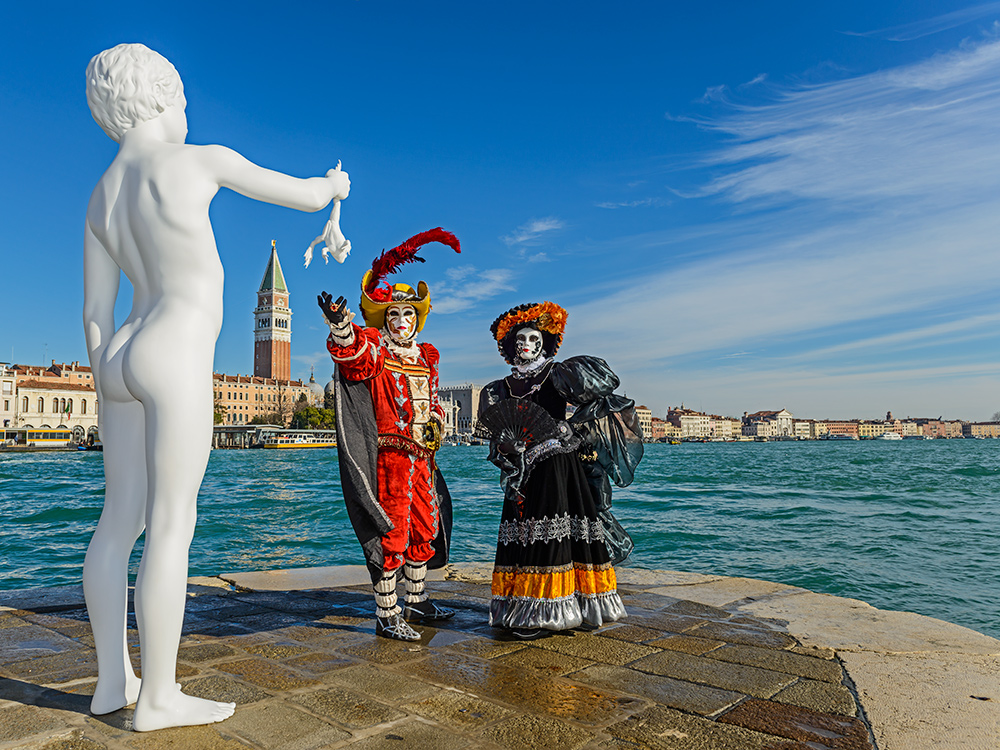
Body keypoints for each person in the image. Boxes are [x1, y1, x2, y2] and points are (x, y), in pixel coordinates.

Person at [82, 43, 350, 731]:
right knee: (172, 524)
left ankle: (113, 682)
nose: (189, 109)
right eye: (183, 98)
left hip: (116, 357)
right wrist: (333, 188)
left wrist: (108, 384)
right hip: (172, 349)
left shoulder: (101, 196)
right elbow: (302, 194)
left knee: (119, 522)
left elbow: (93, 312)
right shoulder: (199, 158)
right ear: (165, 98)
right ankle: (159, 698)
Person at [319, 229, 460, 641]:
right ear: (385, 319)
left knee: (424, 527)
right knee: (392, 531)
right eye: (394, 316)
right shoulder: (378, 351)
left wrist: (437, 421)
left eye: (408, 316)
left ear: (418, 320)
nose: (402, 322)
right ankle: (386, 612)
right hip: (389, 459)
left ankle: (415, 602)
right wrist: (342, 324)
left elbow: (432, 402)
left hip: (422, 458)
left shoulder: (427, 358)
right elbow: (353, 357)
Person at [477, 302, 643, 639]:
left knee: (560, 535)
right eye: (520, 339)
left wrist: (573, 429)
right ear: (510, 346)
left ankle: (568, 607)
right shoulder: (499, 389)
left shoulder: (558, 373)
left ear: (543, 343)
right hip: (523, 470)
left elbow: (605, 385)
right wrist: (510, 449)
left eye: (533, 339)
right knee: (525, 537)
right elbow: (495, 436)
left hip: (557, 464)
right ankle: (526, 607)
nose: (526, 345)